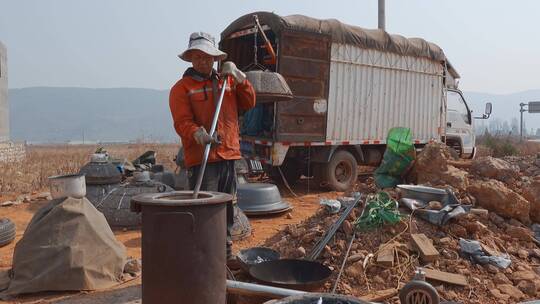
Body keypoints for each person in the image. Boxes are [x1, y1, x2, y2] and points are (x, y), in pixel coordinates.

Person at [169, 32, 256, 261]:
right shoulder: (182, 88)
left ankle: (224, 257)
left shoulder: (227, 81)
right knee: (205, 210)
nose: (202, 61)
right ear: (191, 59)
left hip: (228, 155)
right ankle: (203, 258)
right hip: (203, 158)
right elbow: (182, 122)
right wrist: (197, 133)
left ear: (214, 58)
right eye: (197, 56)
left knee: (227, 207)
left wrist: (240, 78)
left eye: (206, 56)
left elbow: (249, 102)